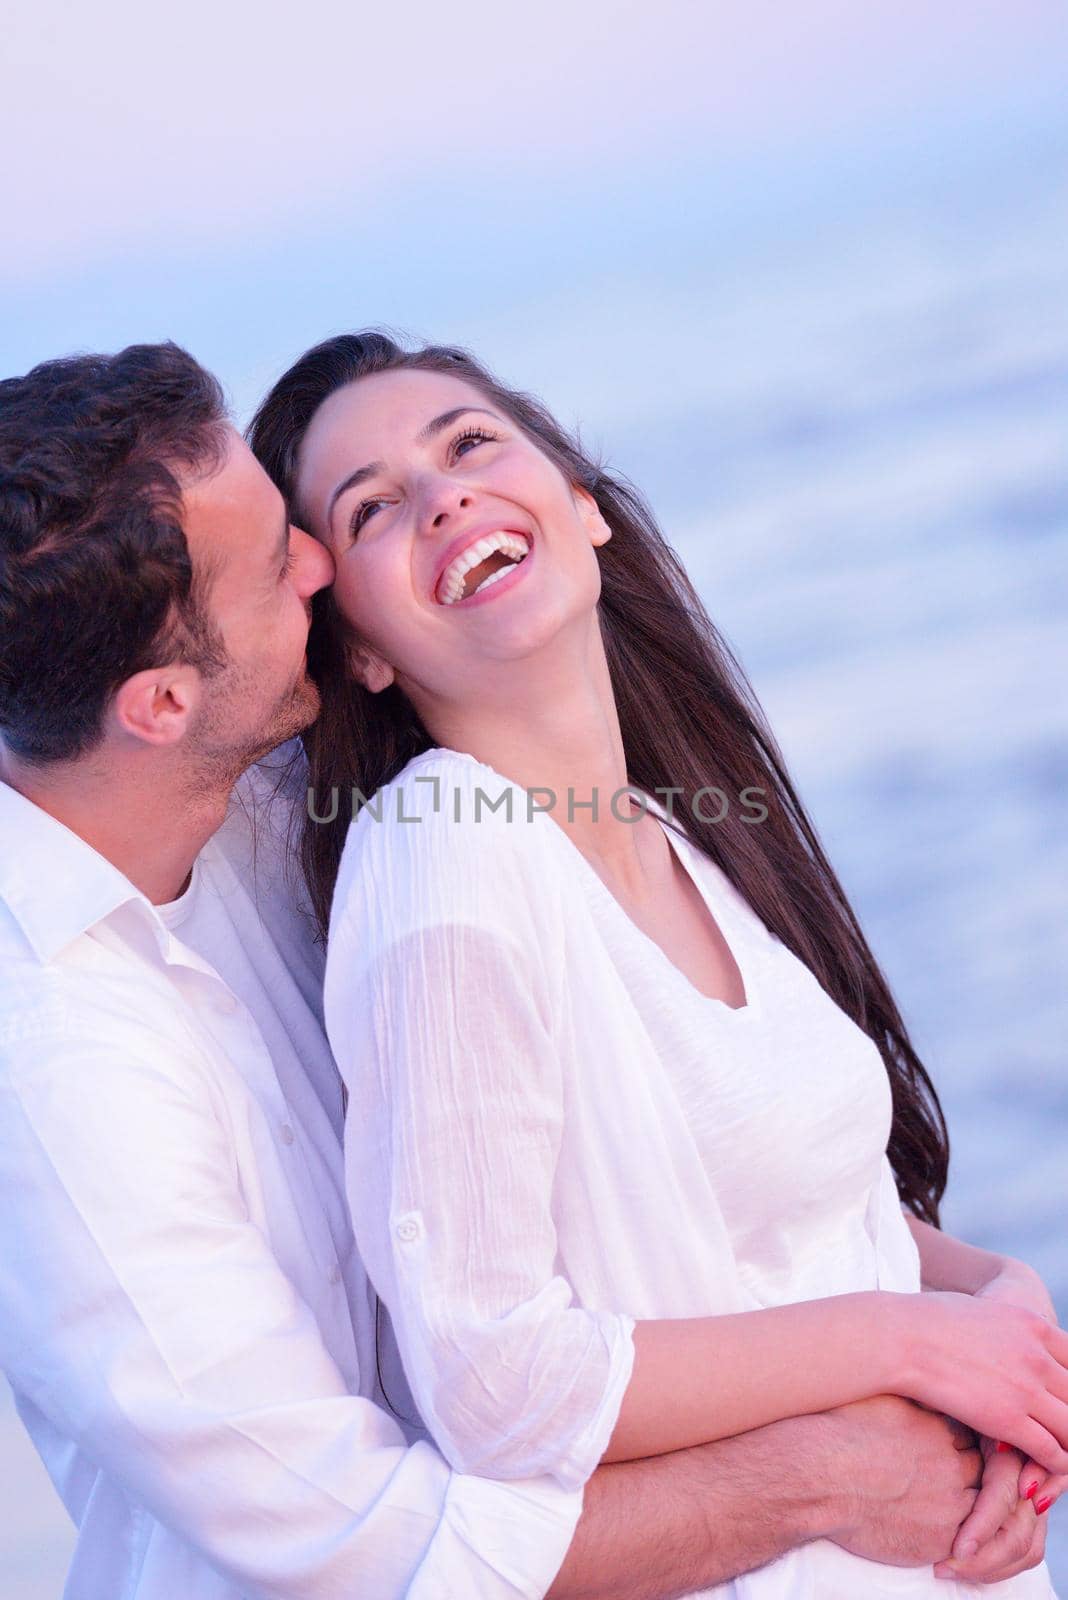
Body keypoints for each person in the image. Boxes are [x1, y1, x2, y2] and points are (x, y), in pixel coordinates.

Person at [0, 341, 1005, 1600]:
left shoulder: (261, 794)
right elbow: (376, 1544)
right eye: (283, 561)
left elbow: (696, 1153)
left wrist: (983, 1306)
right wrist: (828, 1470)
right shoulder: (60, 1080)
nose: (315, 568)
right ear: (158, 704)